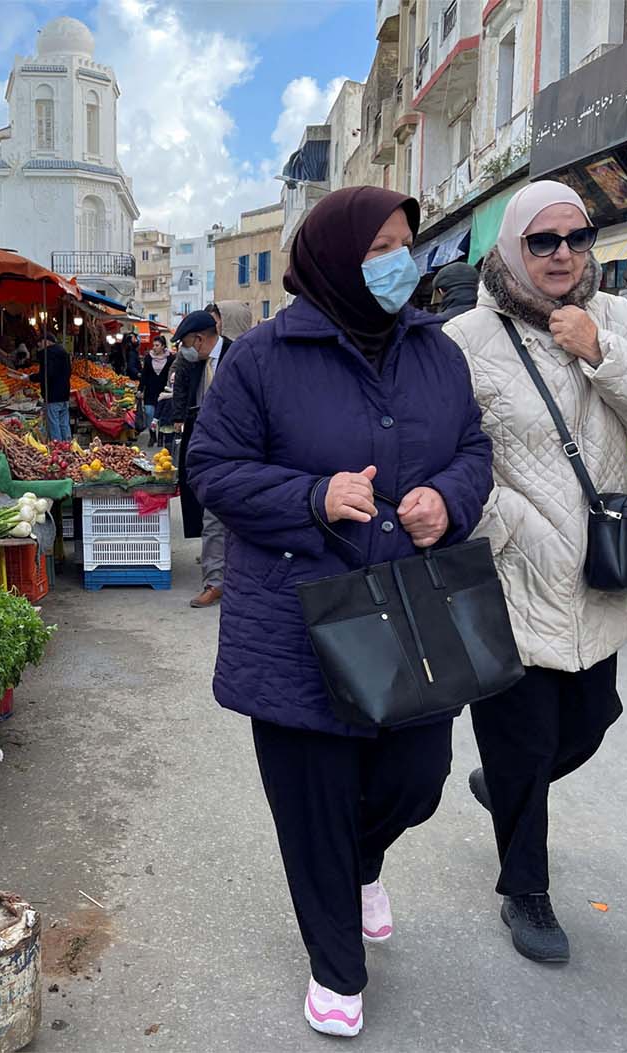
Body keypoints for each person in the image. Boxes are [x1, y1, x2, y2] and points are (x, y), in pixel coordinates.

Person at [187, 187, 493, 1037]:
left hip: (411, 611)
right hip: (299, 618)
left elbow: (474, 447)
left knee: (417, 777)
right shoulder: (261, 358)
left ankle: (362, 865)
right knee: (313, 797)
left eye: (406, 244)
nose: (399, 261)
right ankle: (336, 968)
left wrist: (451, 498)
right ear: (329, 258)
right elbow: (211, 468)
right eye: (378, 247)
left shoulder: (436, 353)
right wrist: (313, 495)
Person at [440, 181, 627, 964]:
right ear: (513, 247)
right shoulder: (465, 338)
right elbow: (445, 453)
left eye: (576, 238)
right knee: (524, 737)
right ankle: (527, 890)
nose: (561, 254)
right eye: (542, 241)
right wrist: (504, 523)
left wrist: (601, 351)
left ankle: (510, 787)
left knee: (590, 720)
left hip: (595, 575)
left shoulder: (615, 318)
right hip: (512, 574)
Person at [172, 309, 229, 608]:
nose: (185, 350)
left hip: (236, 450)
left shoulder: (238, 354)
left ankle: (225, 580)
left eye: (186, 343)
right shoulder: (194, 364)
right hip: (205, 446)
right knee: (212, 517)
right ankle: (215, 581)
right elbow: (186, 393)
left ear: (199, 338)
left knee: (225, 518)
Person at [34, 329, 73, 441]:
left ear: (46, 341)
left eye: (40, 344)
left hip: (52, 395)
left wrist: (31, 377)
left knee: (54, 424)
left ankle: (58, 447)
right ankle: (68, 445)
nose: (39, 347)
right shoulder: (63, 352)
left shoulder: (48, 354)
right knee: (64, 423)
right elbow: (68, 372)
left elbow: (46, 374)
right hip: (64, 394)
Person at [139, 337, 174, 445]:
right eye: (154, 345)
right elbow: (144, 374)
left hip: (164, 391)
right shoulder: (148, 357)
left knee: (162, 415)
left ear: (163, 346)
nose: (154, 348)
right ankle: (152, 435)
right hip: (150, 390)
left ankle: (161, 437)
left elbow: (173, 372)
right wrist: (140, 389)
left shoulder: (170, 358)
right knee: (150, 413)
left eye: (157, 345)